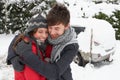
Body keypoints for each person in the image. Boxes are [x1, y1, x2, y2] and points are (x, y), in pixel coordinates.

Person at [15, 3, 79, 80]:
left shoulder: (71, 46)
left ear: (66, 26)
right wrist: (13, 56)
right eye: (50, 27)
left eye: (57, 28)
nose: (52, 32)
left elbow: (54, 73)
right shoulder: (46, 36)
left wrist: (27, 57)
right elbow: (21, 37)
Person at [6, 14, 52, 80]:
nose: (44, 35)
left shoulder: (38, 45)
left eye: (46, 32)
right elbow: (32, 75)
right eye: (40, 32)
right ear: (32, 32)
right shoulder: (29, 48)